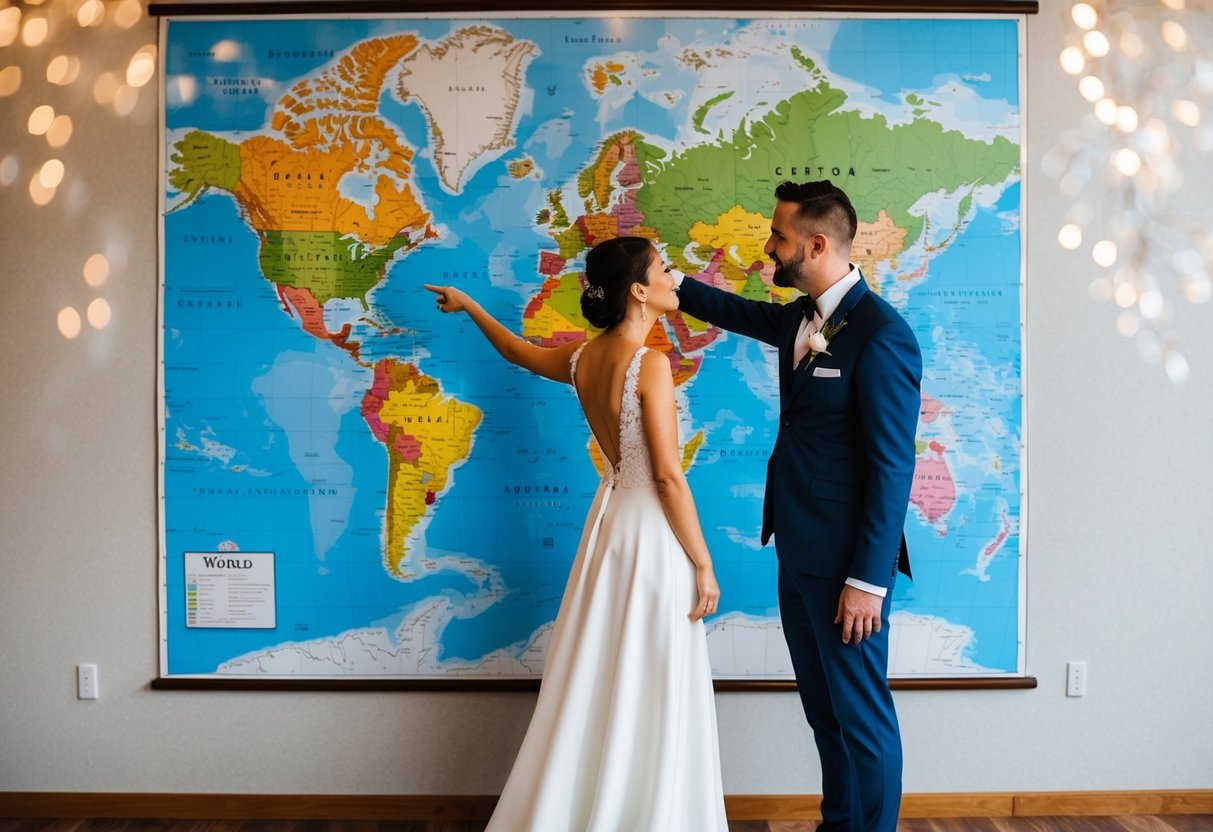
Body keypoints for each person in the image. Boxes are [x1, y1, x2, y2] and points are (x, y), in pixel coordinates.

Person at [424, 235, 728, 832]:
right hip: (649, 532)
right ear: (639, 291)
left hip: (609, 526)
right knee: (650, 671)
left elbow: (516, 351)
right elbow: (668, 476)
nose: (675, 277)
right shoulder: (653, 364)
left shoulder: (584, 357)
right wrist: (703, 562)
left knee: (603, 668)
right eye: (664, 269)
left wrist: (469, 304)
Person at [672, 180, 922, 832]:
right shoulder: (797, 318)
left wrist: (866, 582)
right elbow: (731, 310)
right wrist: (664, 277)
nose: (767, 248)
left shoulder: (881, 335)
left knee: (860, 715)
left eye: (777, 237)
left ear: (814, 244)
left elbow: (893, 467)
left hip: (847, 566)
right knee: (824, 710)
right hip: (795, 550)